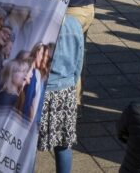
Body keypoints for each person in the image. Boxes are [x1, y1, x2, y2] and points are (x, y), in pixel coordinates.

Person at [36, 15, 84, 173]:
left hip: (41, 91)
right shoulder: (74, 24)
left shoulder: (37, 24)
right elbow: (79, 60)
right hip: (65, 90)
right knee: (64, 144)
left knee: (29, 145)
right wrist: (71, 83)